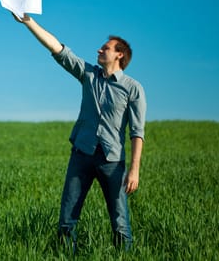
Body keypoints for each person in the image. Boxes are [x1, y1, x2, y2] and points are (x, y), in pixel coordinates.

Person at [12, 13, 146, 252]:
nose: (99, 50)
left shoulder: (133, 88)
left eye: (105, 48)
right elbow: (58, 49)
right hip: (81, 155)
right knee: (66, 221)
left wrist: (134, 169)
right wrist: (28, 22)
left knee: (120, 223)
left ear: (119, 54)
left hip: (112, 162)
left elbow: (137, 132)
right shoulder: (89, 75)